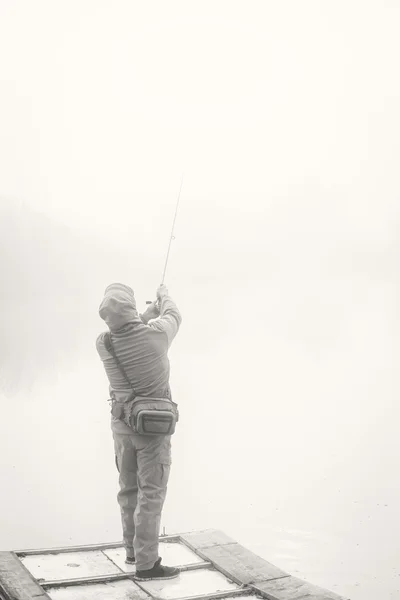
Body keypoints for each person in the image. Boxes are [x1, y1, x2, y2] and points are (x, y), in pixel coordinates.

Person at [96, 282, 182, 581]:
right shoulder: (157, 335)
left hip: (121, 428)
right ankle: (147, 565)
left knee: (128, 489)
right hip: (152, 431)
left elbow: (128, 328)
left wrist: (146, 313)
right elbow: (175, 315)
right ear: (131, 309)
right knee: (152, 495)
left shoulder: (103, 342)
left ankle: (132, 552)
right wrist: (164, 297)